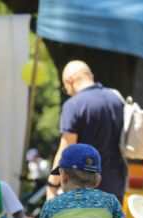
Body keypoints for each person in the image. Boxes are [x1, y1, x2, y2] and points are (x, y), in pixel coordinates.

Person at [48, 61, 126, 202]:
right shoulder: (116, 100)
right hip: (116, 187)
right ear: (90, 75)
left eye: (65, 88)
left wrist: (52, 184)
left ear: (69, 80)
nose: (67, 91)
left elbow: (65, 149)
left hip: (84, 188)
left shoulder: (74, 105)